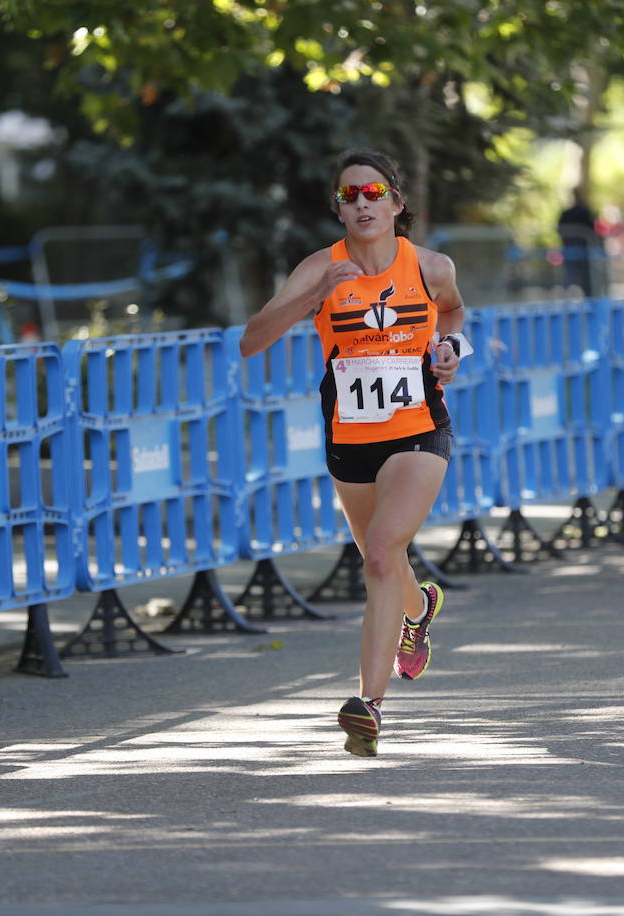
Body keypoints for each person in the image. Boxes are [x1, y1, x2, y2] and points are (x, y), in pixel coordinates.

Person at [239, 149, 469, 757]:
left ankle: (367, 704)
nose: (362, 203)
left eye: (373, 192)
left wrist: (452, 348)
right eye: (349, 196)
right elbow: (251, 341)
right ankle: (419, 609)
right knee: (383, 559)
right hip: (350, 438)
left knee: (380, 556)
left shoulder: (431, 266)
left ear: (396, 202)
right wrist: (313, 296)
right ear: (338, 210)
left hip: (420, 428)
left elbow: (452, 312)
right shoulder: (319, 268)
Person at [555, 187, 600, 296]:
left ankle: (571, 293)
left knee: (573, 272)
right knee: (582, 272)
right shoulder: (584, 212)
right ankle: (584, 293)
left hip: (575, 248)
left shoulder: (568, 213)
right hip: (580, 249)